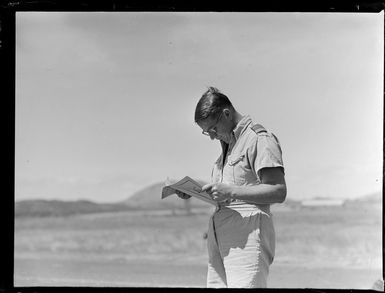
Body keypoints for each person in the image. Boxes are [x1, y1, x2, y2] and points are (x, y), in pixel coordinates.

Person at [176, 87, 286, 288]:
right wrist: (196, 190)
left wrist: (231, 192)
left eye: (213, 129)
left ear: (226, 114)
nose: (211, 136)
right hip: (220, 241)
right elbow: (230, 190)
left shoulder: (259, 139)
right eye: (206, 132)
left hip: (247, 239)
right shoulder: (227, 148)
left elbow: (278, 190)